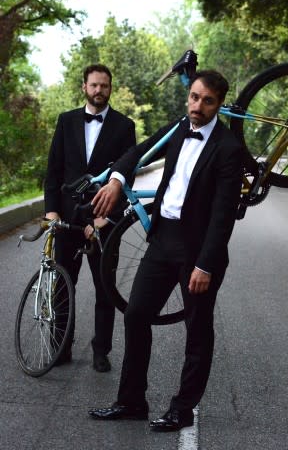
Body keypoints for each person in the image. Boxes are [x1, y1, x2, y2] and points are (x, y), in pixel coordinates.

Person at [88, 69, 244, 429]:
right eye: (194, 97)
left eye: (207, 101)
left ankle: (182, 408)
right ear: (187, 96)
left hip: (199, 249)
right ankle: (131, 401)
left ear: (218, 104)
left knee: (198, 329)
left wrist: (205, 265)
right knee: (136, 314)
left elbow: (223, 216)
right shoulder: (178, 128)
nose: (197, 106)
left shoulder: (229, 149)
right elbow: (138, 152)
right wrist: (115, 180)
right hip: (162, 239)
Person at [44, 63, 136, 372]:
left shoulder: (125, 126)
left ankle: (101, 351)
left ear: (111, 89)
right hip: (67, 219)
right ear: (84, 87)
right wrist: (52, 211)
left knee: (105, 287)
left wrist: (105, 218)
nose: (99, 91)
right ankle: (61, 346)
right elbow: (54, 170)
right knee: (61, 284)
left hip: (103, 220)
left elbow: (127, 178)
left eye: (104, 86)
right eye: (94, 85)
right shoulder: (66, 121)